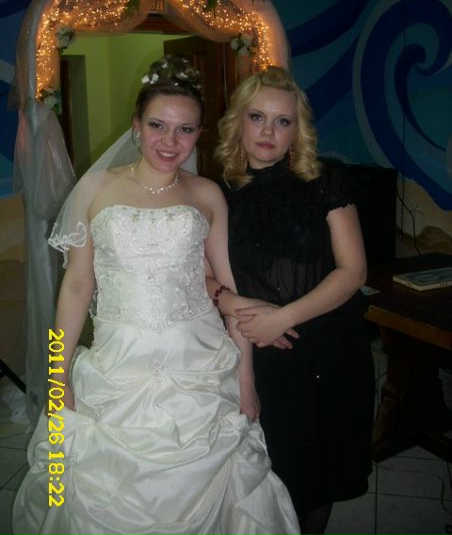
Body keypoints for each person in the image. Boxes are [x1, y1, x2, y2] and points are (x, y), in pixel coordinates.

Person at [12, 56, 300, 535]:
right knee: (79, 478)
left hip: (199, 363)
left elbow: (229, 288)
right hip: (118, 363)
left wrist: (246, 380)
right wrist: (58, 371)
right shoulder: (95, 188)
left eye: (185, 130)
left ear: (199, 134)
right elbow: (78, 287)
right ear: (136, 125)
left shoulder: (207, 194)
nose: (170, 142)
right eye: (158, 126)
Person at [215, 66, 375, 535]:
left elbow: (353, 271)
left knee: (324, 478)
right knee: (281, 475)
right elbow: (201, 279)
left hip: (334, 349)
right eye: (257, 117)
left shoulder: (325, 179)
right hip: (265, 356)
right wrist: (236, 306)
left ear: (296, 130)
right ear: (238, 122)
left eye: (282, 121)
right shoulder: (216, 193)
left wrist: (281, 317)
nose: (268, 131)